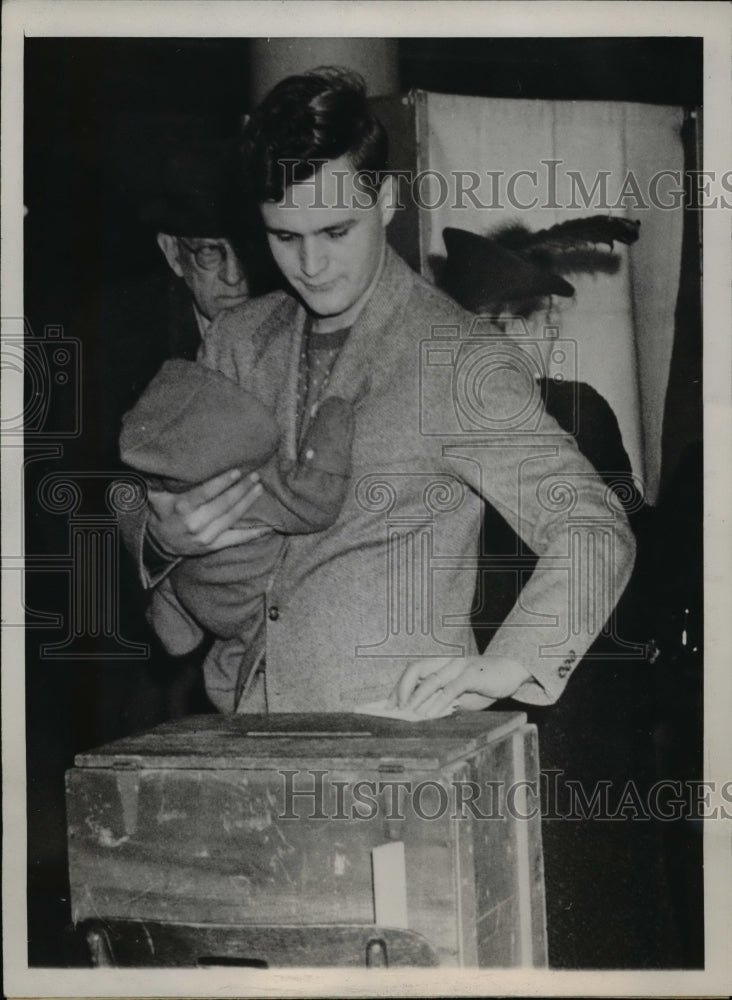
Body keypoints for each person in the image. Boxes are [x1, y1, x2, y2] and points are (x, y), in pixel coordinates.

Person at [121, 68, 636, 716]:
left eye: (336, 232)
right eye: (285, 236)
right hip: (244, 747)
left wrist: (514, 661)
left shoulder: (457, 358)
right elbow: (143, 491)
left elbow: (591, 523)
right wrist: (161, 538)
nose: (310, 266)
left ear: (386, 201)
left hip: (394, 759)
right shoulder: (236, 339)